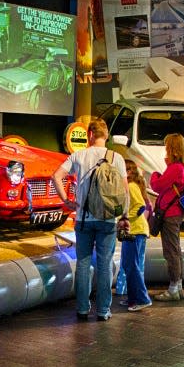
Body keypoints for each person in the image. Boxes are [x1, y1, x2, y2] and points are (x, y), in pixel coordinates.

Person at [52, 118, 127, 321]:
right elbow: (124, 191)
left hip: (84, 219)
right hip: (108, 219)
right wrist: (124, 216)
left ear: (90, 135)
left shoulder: (79, 155)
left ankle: (83, 308)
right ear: (106, 136)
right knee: (105, 264)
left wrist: (66, 200)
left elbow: (56, 176)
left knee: (83, 264)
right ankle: (103, 310)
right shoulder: (117, 158)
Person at [149, 133, 184, 302]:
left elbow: (157, 186)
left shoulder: (175, 169)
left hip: (170, 214)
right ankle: (178, 287)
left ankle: (173, 288)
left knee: (171, 251)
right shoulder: (183, 167)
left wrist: (154, 174)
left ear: (172, 149)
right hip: (176, 213)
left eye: (167, 147)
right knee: (176, 250)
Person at [117, 159, 152, 311]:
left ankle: (142, 298)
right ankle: (133, 298)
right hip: (134, 230)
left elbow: (140, 206)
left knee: (132, 265)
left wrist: (124, 219)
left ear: (129, 171)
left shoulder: (131, 186)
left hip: (136, 231)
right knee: (128, 264)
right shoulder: (131, 186)